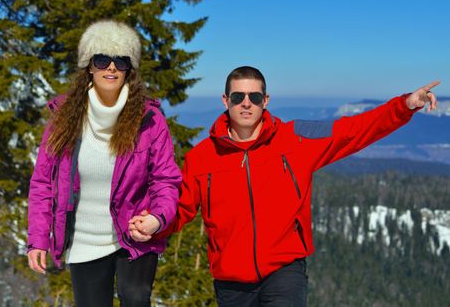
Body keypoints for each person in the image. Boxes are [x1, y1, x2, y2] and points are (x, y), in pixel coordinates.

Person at [130, 66, 439, 306]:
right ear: (226, 101)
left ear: (266, 100)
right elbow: (180, 207)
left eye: (254, 97)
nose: (246, 104)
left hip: (284, 271)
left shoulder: (296, 139)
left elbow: (352, 131)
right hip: (230, 280)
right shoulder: (202, 157)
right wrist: (154, 223)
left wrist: (405, 106)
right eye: (238, 97)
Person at [27, 20, 181, 307]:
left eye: (120, 61)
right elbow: (42, 183)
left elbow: (166, 179)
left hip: (135, 235)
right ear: (90, 66)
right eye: (102, 59)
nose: (111, 67)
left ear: (129, 70)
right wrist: (38, 238)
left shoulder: (149, 119)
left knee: (135, 297)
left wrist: (157, 218)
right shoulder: (63, 118)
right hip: (84, 239)